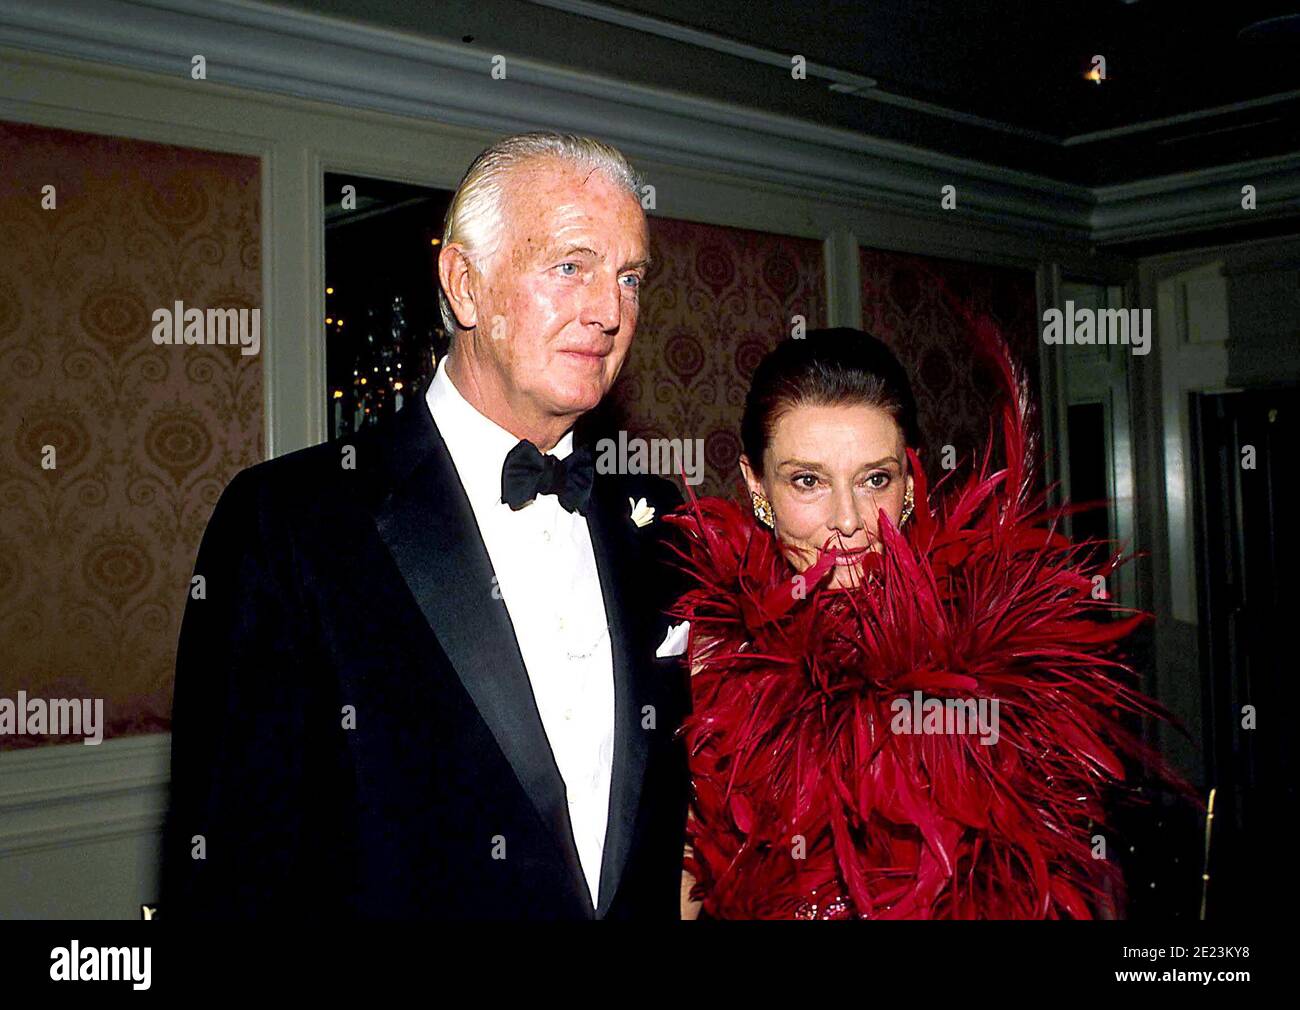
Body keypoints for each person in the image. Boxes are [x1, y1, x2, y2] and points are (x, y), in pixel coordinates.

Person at [162, 132, 689, 919]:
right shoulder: (290, 521)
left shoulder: (658, 517)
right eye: (571, 265)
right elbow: (231, 868)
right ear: (465, 284)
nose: (610, 311)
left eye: (630, 277)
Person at [668, 324, 1187, 919]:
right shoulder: (707, 660)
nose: (848, 520)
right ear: (757, 487)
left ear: (911, 484)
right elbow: (690, 877)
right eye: (807, 481)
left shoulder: (997, 659)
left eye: (875, 480)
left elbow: (1069, 874)